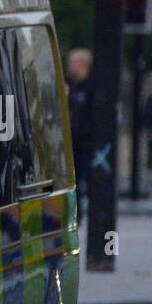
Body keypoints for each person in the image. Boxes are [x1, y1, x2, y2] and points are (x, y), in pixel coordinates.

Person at [65, 48, 93, 210]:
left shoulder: (90, 88)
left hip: (85, 145)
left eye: (72, 62)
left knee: (86, 180)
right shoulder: (73, 86)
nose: (69, 66)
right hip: (73, 144)